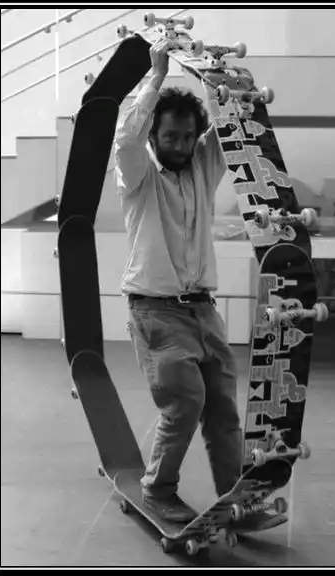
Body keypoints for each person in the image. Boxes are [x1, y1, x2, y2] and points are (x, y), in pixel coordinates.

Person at [113, 39, 274, 531]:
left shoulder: (202, 167)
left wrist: (218, 83)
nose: (180, 145)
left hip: (204, 310)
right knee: (184, 400)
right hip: (155, 311)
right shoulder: (138, 176)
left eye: (187, 137)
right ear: (155, 136)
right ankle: (158, 489)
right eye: (170, 136)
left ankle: (236, 501)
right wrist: (157, 74)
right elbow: (126, 139)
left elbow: (226, 129)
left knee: (222, 407)